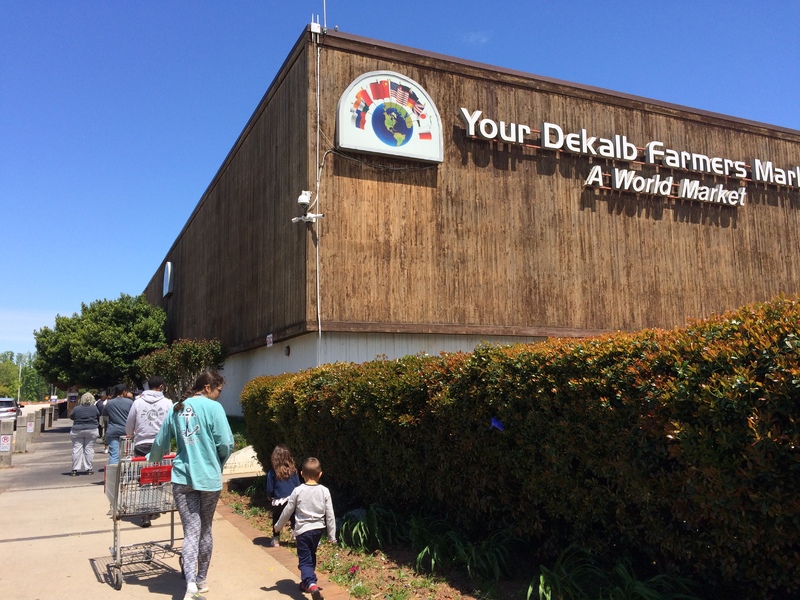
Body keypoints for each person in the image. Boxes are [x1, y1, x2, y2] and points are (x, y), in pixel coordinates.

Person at [149, 371, 233, 600]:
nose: (218, 395)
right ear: (207, 387)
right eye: (218, 391)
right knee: (205, 530)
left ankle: (190, 585)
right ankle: (201, 579)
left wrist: (153, 460)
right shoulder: (214, 409)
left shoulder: (177, 407)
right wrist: (219, 462)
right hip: (209, 479)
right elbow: (226, 443)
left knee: (191, 533)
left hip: (182, 478)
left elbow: (160, 442)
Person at [273, 457, 337, 599]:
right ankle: (306, 582)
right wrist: (332, 535)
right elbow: (330, 515)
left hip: (302, 531)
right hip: (318, 531)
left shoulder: (298, 491)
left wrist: (278, 526)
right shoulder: (325, 491)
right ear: (320, 474)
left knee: (304, 559)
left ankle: (311, 584)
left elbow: (287, 511)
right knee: (311, 554)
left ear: (301, 474)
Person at [125, 375, 173, 527]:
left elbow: (130, 422)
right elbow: (172, 422)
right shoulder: (167, 403)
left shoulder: (138, 402)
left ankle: (145, 513)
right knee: (159, 476)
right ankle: (155, 506)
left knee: (144, 478)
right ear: (160, 387)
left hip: (142, 444)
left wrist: (131, 434)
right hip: (161, 445)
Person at [265, 444, 301, 547]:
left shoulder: (272, 472)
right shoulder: (292, 471)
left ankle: (276, 538)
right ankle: (296, 535)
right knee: (294, 518)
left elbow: (270, 487)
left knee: (276, 517)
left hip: (279, 501)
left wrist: (270, 495)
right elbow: (297, 485)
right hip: (291, 500)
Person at [69, 392, 100, 476]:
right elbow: (98, 415)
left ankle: (75, 469)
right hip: (91, 429)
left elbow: (71, 416)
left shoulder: (76, 408)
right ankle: (89, 468)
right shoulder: (94, 408)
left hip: (77, 430)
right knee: (89, 449)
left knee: (77, 449)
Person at [104, 384, 134, 465]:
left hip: (113, 430)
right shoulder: (130, 402)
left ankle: (113, 474)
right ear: (124, 392)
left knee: (114, 455)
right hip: (126, 431)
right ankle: (126, 471)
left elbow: (105, 414)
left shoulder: (109, 403)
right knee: (127, 454)